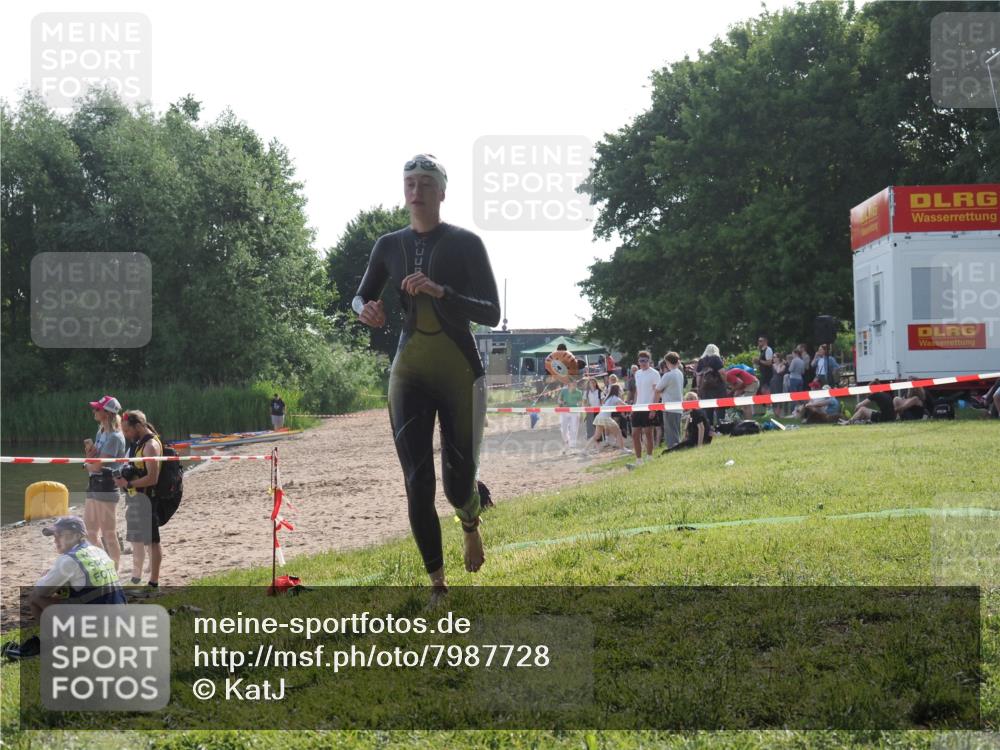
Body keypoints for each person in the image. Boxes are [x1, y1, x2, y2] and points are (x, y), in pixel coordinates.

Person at [352, 154, 500, 596]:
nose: (415, 191)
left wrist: (441, 291)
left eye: (424, 183)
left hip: (460, 371)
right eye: (409, 183)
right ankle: (438, 584)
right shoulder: (387, 245)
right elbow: (359, 297)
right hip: (410, 371)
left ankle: (470, 518)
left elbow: (492, 313)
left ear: (442, 192)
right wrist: (368, 311)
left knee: (456, 486)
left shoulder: (466, 243)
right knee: (417, 480)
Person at [29, 516, 125, 619]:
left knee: (35, 596)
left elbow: (41, 591)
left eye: (60, 535)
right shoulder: (99, 551)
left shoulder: (68, 559)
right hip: (120, 615)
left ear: (78, 535)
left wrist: (45, 577)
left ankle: (53, 634)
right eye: (54, 536)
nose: (55, 540)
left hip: (97, 623)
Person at [114, 410, 163, 588]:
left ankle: (154, 582)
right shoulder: (138, 444)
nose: (126, 435)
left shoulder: (150, 445)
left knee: (152, 541)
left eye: (127, 431)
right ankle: (136, 577)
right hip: (136, 498)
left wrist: (128, 484)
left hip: (147, 500)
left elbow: (152, 478)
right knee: (136, 539)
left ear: (138, 426)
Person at [82, 395, 126, 570]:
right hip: (94, 484)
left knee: (108, 534)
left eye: (97, 409)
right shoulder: (101, 432)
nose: (94, 411)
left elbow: (97, 465)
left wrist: (88, 463)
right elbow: (93, 462)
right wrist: (89, 458)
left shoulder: (115, 437)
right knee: (89, 532)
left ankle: (113, 570)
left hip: (107, 485)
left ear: (107, 413)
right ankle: (105, 564)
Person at [628, 350, 661, 467]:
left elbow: (657, 392)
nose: (642, 363)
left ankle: (649, 456)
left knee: (648, 433)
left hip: (649, 406)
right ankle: (638, 459)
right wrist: (634, 406)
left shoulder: (654, 373)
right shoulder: (637, 374)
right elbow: (637, 391)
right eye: (641, 361)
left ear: (649, 361)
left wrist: (654, 409)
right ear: (638, 362)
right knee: (635, 434)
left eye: (645, 361)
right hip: (638, 407)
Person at [655, 352, 685, 449]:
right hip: (678, 407)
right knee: (676, 432)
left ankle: (673, 450)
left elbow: (657, 389)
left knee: (671, 434)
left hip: (669, 408)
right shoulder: (680, 373)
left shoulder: (668, 375)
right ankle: (676, 448)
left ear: (667, 362)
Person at [588, 384, 629, 452]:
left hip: (600, 416)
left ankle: (585, 449)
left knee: (596, 435)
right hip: (606, 417)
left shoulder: (608, 397)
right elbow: (625, 406)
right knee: (618, 432)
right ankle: (622, 449)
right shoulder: (615, 398)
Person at [695, 344, 728, 427]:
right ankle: (721, 427)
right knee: (720, 409)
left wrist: (699, 387)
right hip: (718, 388)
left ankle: (709, 429)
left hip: (705, 389)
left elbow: (698, 376)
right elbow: (722, 373)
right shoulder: (716, 358)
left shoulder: (701, 360)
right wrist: (725, 383)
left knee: (707, 410)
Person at [558, 379, 583, 452]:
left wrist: (581, 414)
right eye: (573, 384)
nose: (575, 385)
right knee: (563, 429)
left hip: (575, 412)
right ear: (569, 384)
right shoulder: (564, 391)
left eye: (575, 384)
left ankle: (573, 446)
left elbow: (580, 403)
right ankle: (567, 441)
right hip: (564, 411)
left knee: (574, 429)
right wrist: (562, 402)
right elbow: (559, 400)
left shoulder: (579, 392)